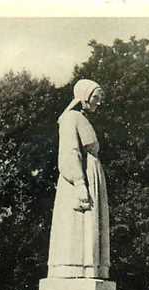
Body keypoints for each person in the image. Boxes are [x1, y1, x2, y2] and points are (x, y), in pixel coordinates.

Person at [48, 79, 111, 279]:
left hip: (92, 175)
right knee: (77, 226)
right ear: (84, 96)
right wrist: (79, 183)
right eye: (96, 97)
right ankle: (74, 267)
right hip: (80, 178)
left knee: (91, 228)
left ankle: (91, 268)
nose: (99, 102)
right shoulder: (70, 118)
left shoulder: (83, 119)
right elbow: (69, 152)